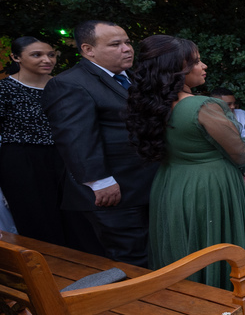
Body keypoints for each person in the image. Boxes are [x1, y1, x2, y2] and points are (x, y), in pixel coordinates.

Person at [125, 36, 245, 301]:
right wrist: (243, 166)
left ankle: (188, 305)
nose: (203, 66)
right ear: (175, 69)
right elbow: (238, 150)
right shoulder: (201, 106)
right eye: (195, 62)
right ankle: (229, 302)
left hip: (171, 183)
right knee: (218, 243)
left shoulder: (151, 106)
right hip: (211, 185)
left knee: (186, 245)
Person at [41, 21, 159, 266]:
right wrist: (100, 181)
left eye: (127, 42)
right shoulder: (69, 83)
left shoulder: (132, 77)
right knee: (133, 259)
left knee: (157, 253)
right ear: (88, 50)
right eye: (115, 44)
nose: (127, 49)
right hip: (112, 192)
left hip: (147, 185)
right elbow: (75, 139)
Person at [0, 36, 98, 251]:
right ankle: (46, 266)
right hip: (22, 160)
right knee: (37, 216)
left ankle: (86, 265)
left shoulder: (64, 85)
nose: (47, 60)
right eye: (37, 55)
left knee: (78, 217)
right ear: (16, 57)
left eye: (51, 55)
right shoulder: (5, 89)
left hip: (65, 157)